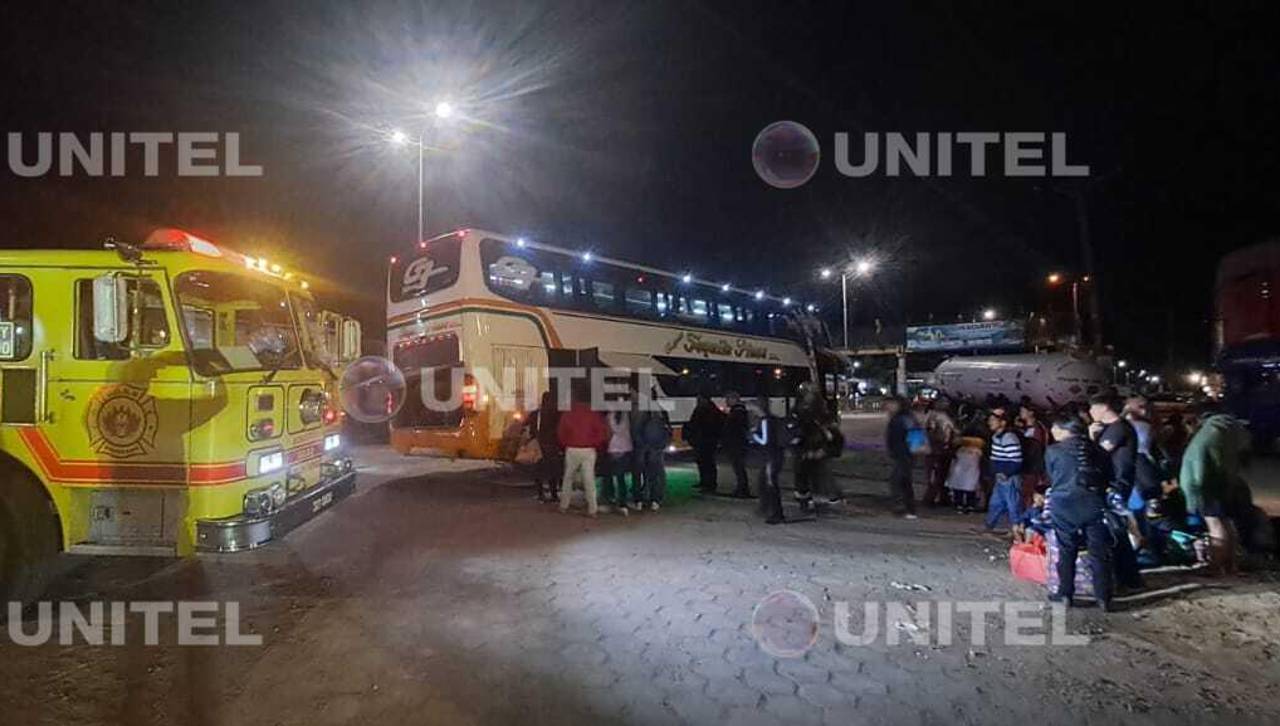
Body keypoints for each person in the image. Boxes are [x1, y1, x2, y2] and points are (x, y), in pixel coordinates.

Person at [1045, 416, 1114, 610]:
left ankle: (1065, 593)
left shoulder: (1053, 451)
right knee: (1099, 553)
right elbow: (1109, 477)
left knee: (1067, 550)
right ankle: (1104, 597)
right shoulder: (1099, 451)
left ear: (1063, 430)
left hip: (1064, 505)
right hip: (1094, 504)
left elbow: (1052, 477)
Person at [1179, 405, 1248, 574]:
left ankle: (1215, 566)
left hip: (1208, 487)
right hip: (1226, 483)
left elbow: (1200, 463)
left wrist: (1197, 490)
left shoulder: (1208, 434)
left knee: (1215, 524)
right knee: (1227, 523)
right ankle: (1231, 565)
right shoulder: (1229, 429)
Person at [556, 388, 609, 517]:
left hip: (572, 449)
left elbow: (560, 432)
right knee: (589, 479)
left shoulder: (568, 413)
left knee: (568, 477)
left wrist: (566, 443)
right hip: (588, 450)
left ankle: (564, 505)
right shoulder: (593, 413)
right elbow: (602, 433)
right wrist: (595, 443)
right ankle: (592, 508)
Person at [1089, 395, 1138, 499]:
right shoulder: (1103, 427)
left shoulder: (1119, 428)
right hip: (1107, 482)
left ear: (1104, 407)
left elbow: (1099, 453)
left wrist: (1091, 439)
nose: (1090, 411)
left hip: (1116, 483)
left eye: (1093, 407)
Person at [630, 389, 671, 512]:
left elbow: (634, 429)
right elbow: (667, 428)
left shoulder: (638, 410)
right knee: (655, 473)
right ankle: (655, 500)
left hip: (641, 447)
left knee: (637, 473)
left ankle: (639, 501)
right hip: (656, 446)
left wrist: (637, 443)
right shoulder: (660, 409)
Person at [984, 407, 1024, 532]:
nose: (990, 422)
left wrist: (1006, 473)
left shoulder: (1008, 438)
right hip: (1001, 477)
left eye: (993, 420)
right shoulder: (997, 436)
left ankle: (1017, 530)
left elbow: (1016, 460)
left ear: (1003, 422)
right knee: (996, 503)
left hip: (1009, 478)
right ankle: (989, 526)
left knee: (1013, 505)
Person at [752, 394, 787, 524]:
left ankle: (777, 513)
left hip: (771, 456)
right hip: (775, 455)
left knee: (771, 484)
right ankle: (772, 510)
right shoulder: (771, 419)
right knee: (768, 483)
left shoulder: (765, 421)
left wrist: (753, 436)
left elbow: (764, 440)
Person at [884, 396, 918, 519]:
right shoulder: (898, 419)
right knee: (903, 481)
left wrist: (912, 452)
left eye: (890, 404)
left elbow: (915, 436)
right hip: (900, 454)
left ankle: (903, 508)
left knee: (898, 481)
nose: (887, 407)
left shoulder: (904, 419)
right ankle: (908, 508)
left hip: (904, 454)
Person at [527, 390, 563, 503]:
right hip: (553, 445)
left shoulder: (535, 414)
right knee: (553, 471)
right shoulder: (557, 413)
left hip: (539, 445)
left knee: (539, 471)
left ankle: (540, 494)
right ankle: (554, 494)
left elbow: (529, 427)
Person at [685, 393, 725, 494]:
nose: (697, 401)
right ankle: (705, 482)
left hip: (707, 440)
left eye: (699, 399)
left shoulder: (709, 410)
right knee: (702, 461)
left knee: (708, 462)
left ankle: (710, 484)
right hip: (702, 440)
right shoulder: (704, 409)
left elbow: (706, 425)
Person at [602, 396, 634, 516]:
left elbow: (608, 433)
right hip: (625, 449)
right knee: (621, 478)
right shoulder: (626, 416)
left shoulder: (609, 416)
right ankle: (623, 503)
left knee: (609, 475)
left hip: (612, 449)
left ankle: (610, 497)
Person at [923, 399, 958, 507]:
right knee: (936, 476)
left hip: (943, 450)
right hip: (936, 451)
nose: (945, 404)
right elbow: (931, 432)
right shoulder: (933, 416)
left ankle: (943, 497)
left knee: (943, 475)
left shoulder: (945, 416)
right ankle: (930, 499)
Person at [722, 391, 753, 498]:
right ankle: (742, 488)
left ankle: (742, 489)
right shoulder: (739, 411)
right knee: (739, 467)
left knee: (739, 467)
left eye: (728, 399)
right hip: (738, 443)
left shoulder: (737, 412)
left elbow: (735, 429)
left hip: (736, 444)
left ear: (734, 399)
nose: (726, 402)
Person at [1017, 403, 1051, 499]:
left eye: (1023, 411)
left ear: (1031, 413)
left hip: (1033, 465)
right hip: (1027, 464)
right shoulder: (1025, 428)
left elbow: (1039, 447)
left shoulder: (1038, 428)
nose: (1020, 413)